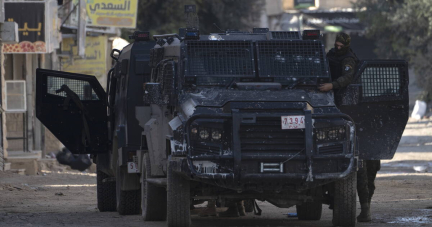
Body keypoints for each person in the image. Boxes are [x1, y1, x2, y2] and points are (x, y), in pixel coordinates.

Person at [320, 33, 380, 222]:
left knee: (364, 171)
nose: (337, 48)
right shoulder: (330, 56)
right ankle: (359, 209)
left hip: (349, 112)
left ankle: (365, 210)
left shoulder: (349, 60)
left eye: (340, 45)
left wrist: (332, 85)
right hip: (336, 109)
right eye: (336, 45)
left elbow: (347, 77)